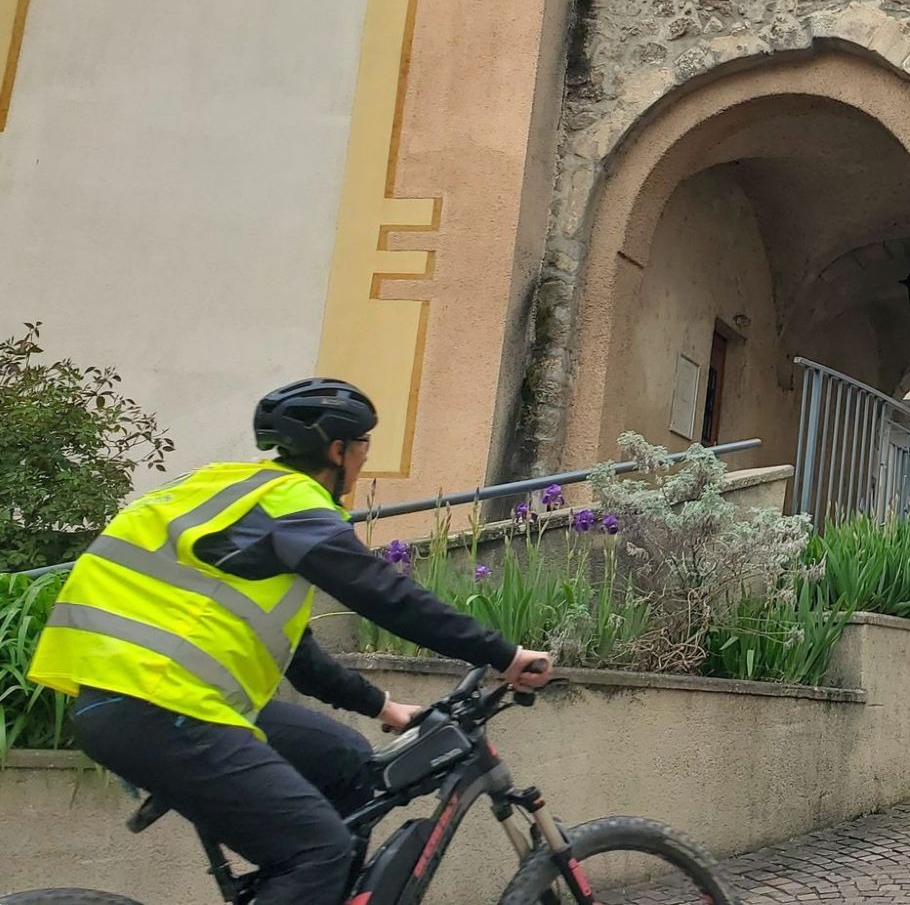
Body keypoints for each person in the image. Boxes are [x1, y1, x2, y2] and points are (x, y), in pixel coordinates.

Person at [29, 378, 557, 905]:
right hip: (161, 704)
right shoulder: (294, 504)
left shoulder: (237, 493)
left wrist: (383, 705)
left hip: (148, 698)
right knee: (317, 851)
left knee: (348, 761)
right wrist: (504, 654)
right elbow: (383, 593)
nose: (364, 461)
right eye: (364, 447)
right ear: (337, 449)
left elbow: (297, 654)